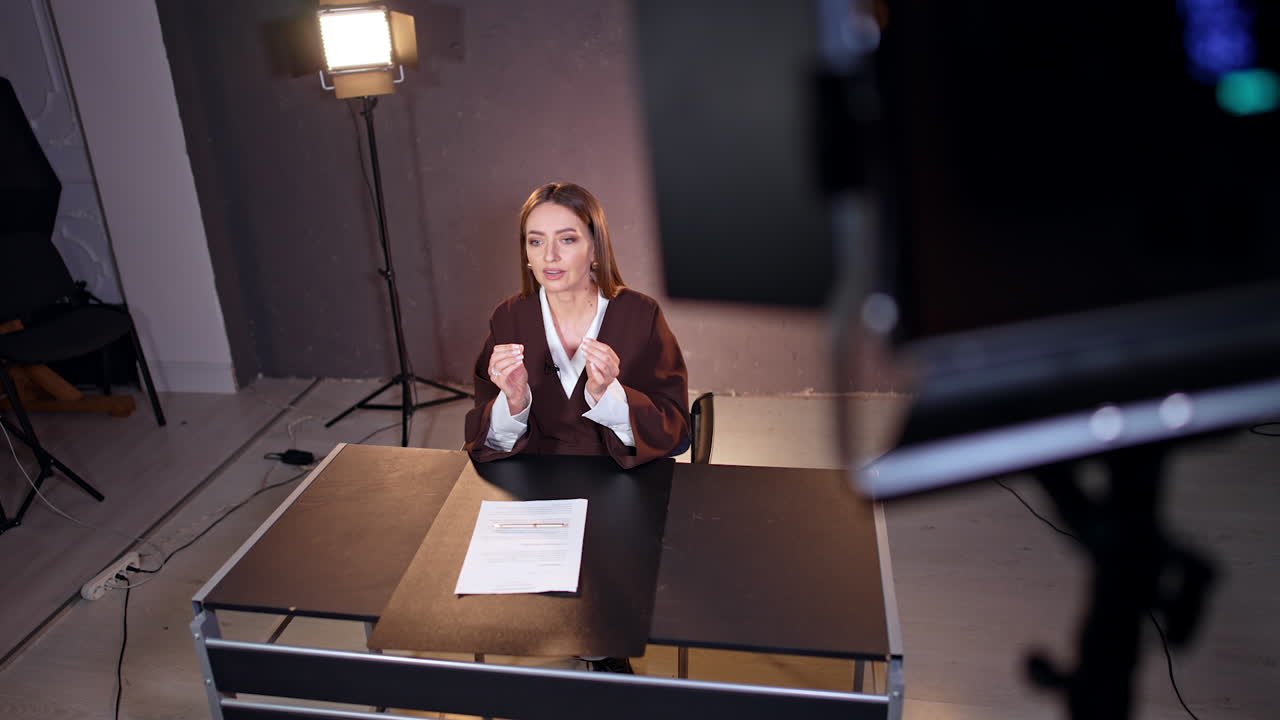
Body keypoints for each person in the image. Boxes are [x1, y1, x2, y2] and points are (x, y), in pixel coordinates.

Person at [464, 182, 690, 470]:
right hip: (534, 488)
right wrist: (514, 402)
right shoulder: (508, 317)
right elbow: (487, 441)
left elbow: (675, 433)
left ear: (595, 249)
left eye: (567, 239)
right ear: (526, 255)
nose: (549, 255)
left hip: (623, 481)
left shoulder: (641, 315)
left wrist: (607, 394)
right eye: (536, 241)